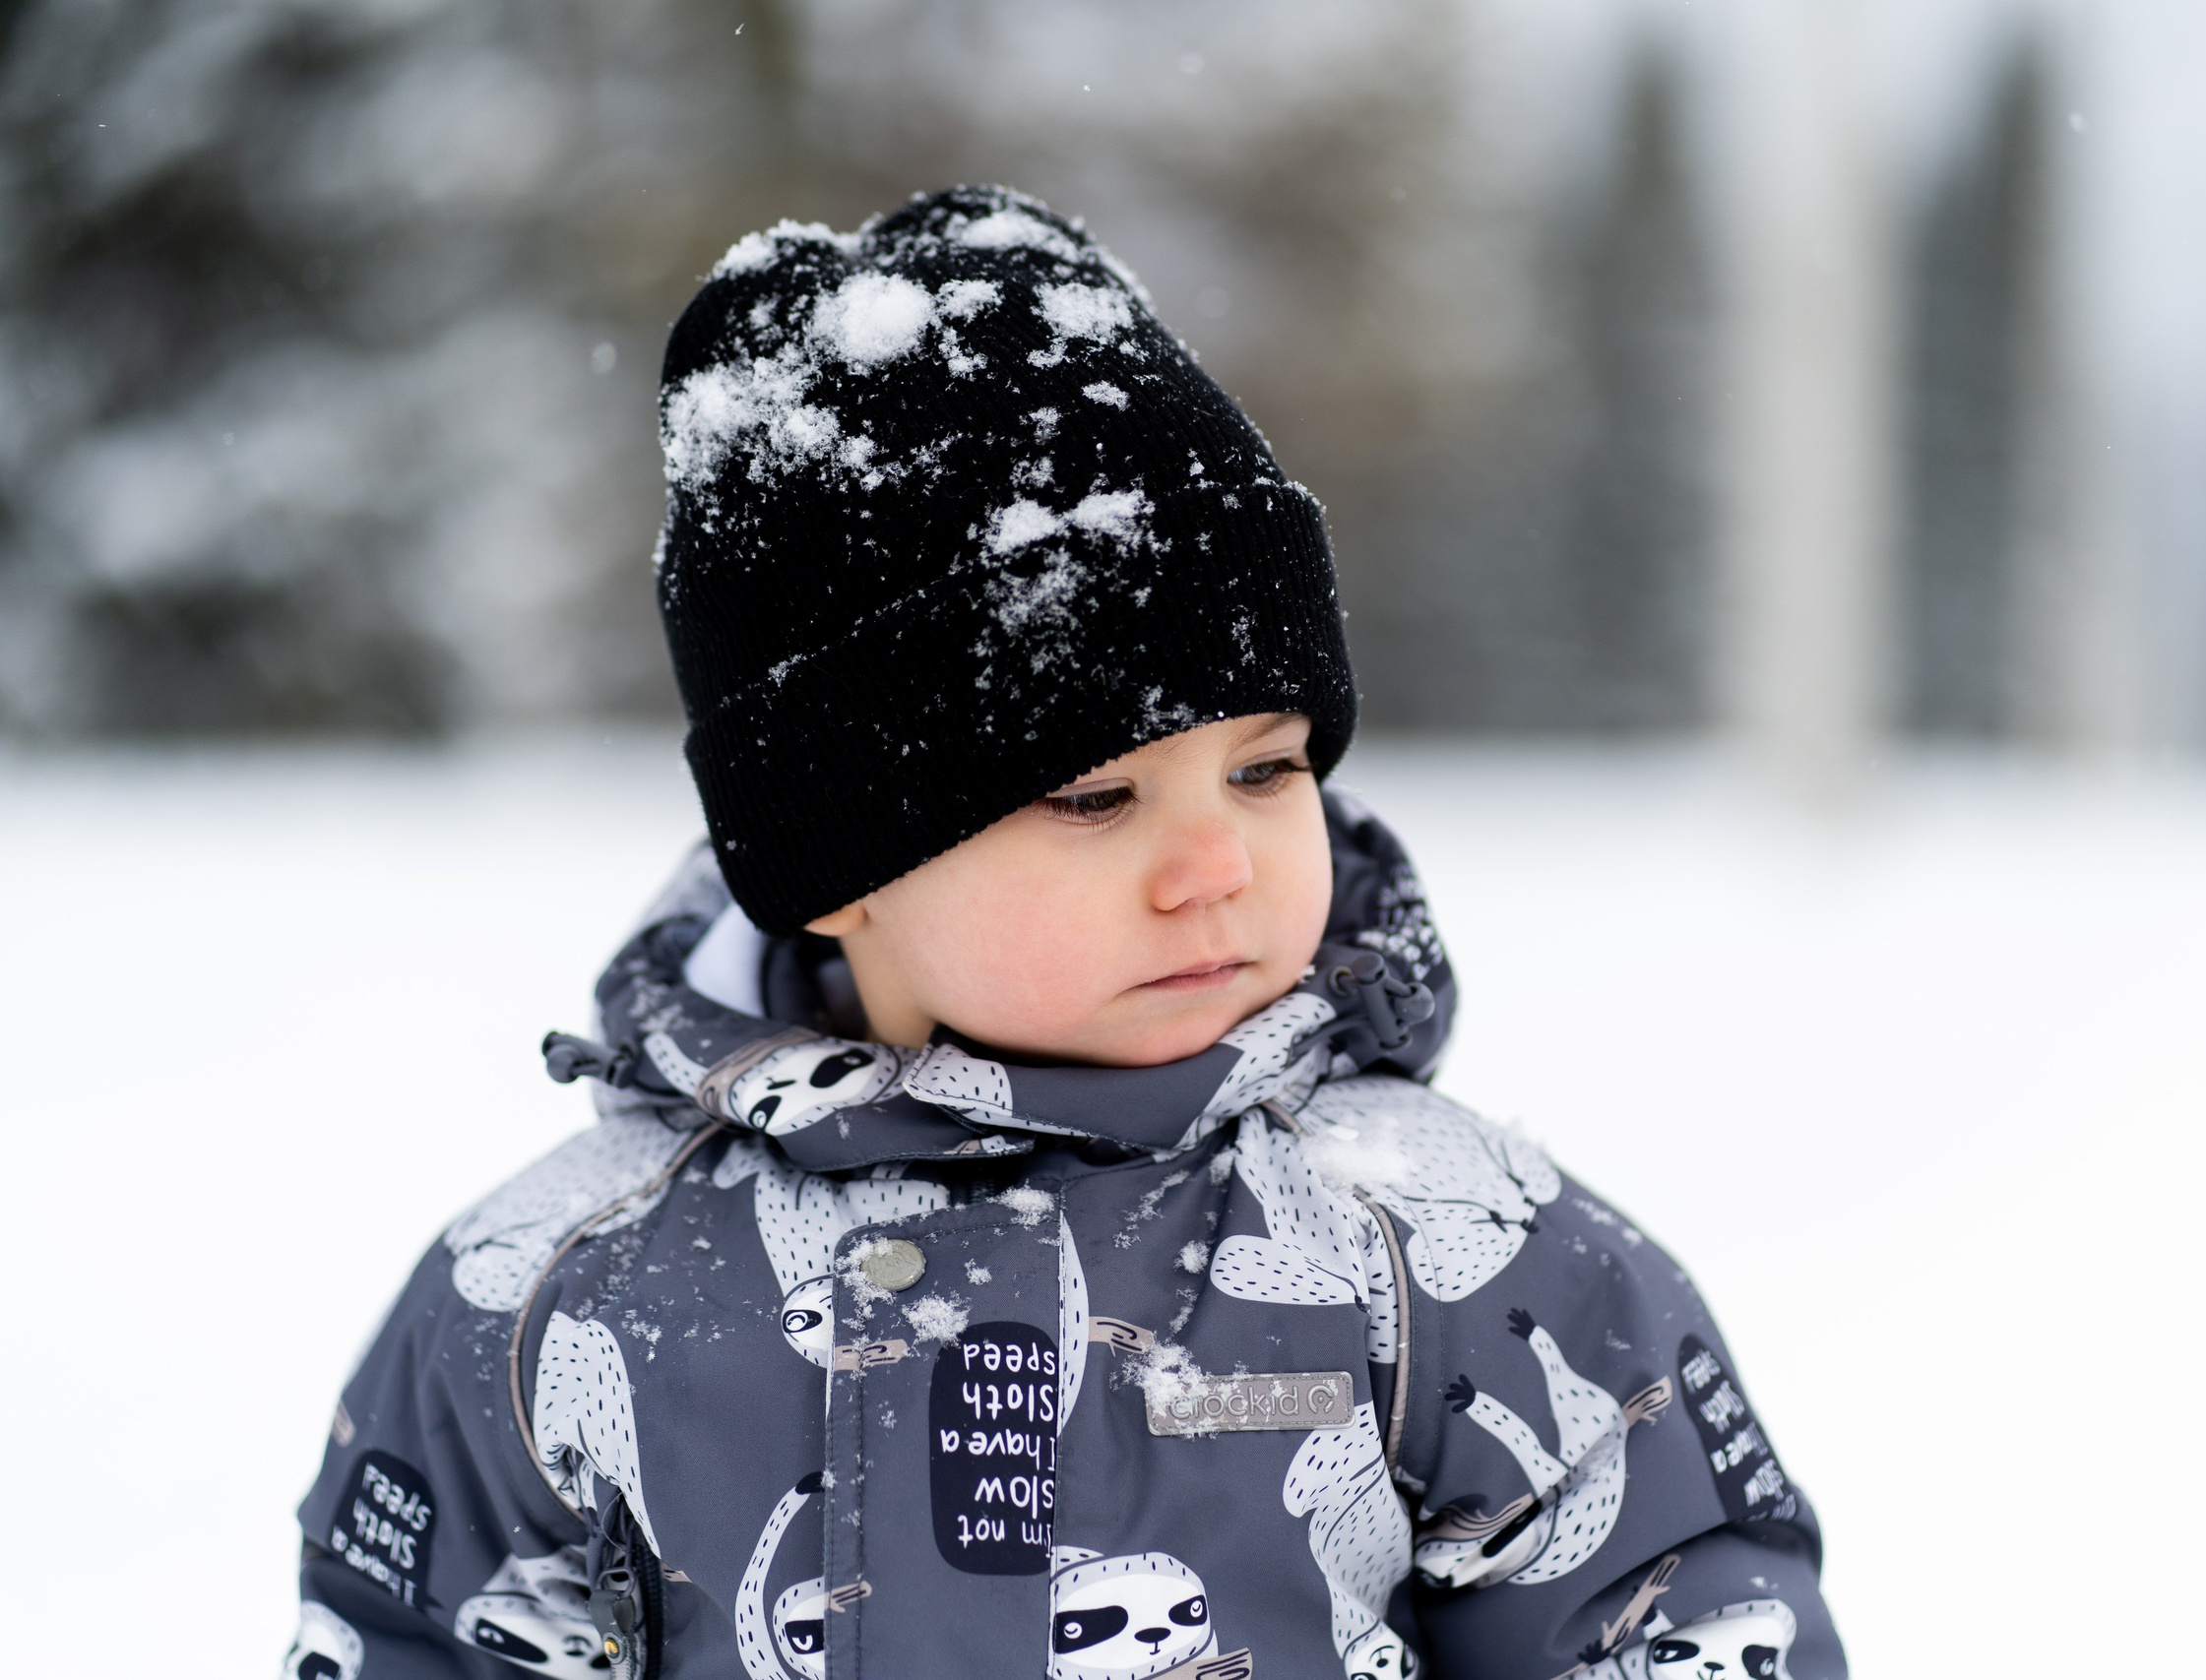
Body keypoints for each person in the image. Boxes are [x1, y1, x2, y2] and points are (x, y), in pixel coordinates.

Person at [284, 186, 1845, 1680]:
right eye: (1098, 800)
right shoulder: (560, 1289)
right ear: (840, 865)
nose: (1213, 865)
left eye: (1266, 767)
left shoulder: (1450, 1254)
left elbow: (1669, 1616)